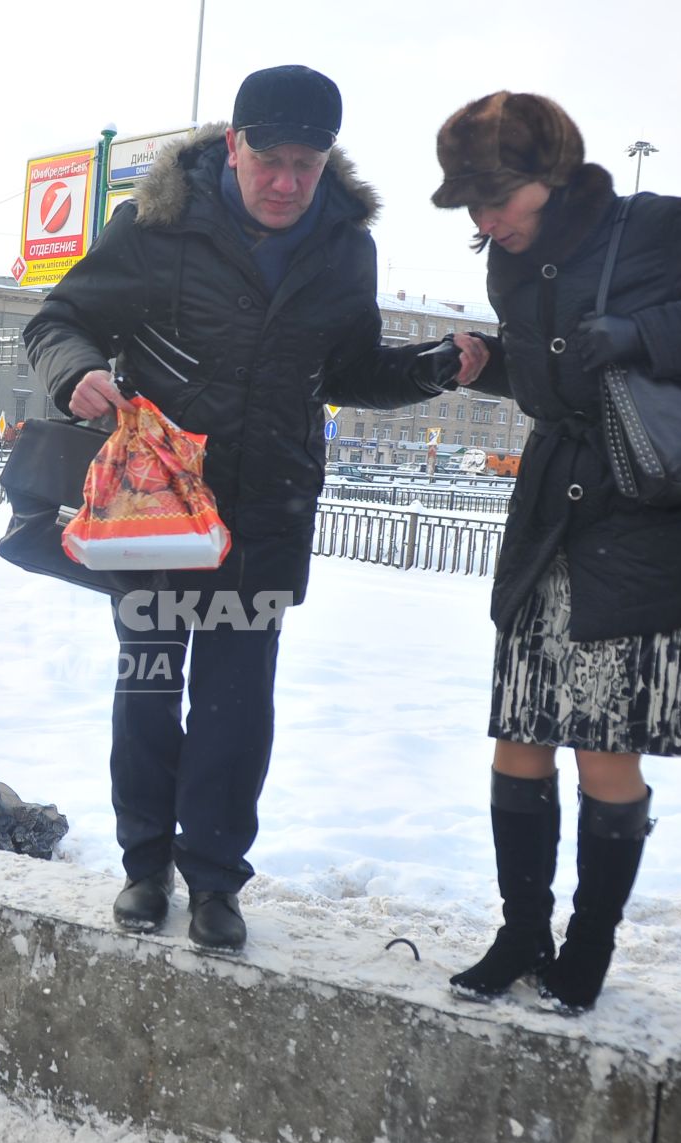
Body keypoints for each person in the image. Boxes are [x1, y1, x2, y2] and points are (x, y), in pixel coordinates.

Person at [23, 65, 471, 951]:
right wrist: (77, 374)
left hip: (265, 514)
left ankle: (217, 881)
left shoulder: (344, 243)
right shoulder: (156, 227)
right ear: (234, 144)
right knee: (149, 689)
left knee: (237, 706)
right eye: (270, 159)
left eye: (307, 164)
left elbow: (344, 370)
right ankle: (145, 866)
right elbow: (56, 320)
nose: (286, 182)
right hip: (155, 513)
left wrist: (430, 367)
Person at [431, 92, 681, 1012]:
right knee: (519, 733)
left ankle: (587, 943)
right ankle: (521, 934)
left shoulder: (658, 228)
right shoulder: (509, 270)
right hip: (551, 519)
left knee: (604, 746)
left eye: (498, 198)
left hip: (649, 520)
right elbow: (560, 384)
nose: (486, 221)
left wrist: (646, 334)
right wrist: (498, 361)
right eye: (471, 205)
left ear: (552, 176)